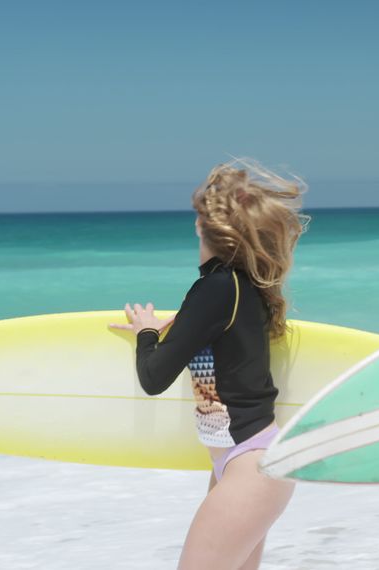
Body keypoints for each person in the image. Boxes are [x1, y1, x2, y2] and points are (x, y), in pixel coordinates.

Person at [110, 159, 306, 570]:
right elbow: (228, 346)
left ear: (203, 227)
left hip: (248, 466)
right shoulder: (241, 286)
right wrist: (182, 329)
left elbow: (153, 377)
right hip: (248, 461)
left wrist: (147, 334)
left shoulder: (215, 288)